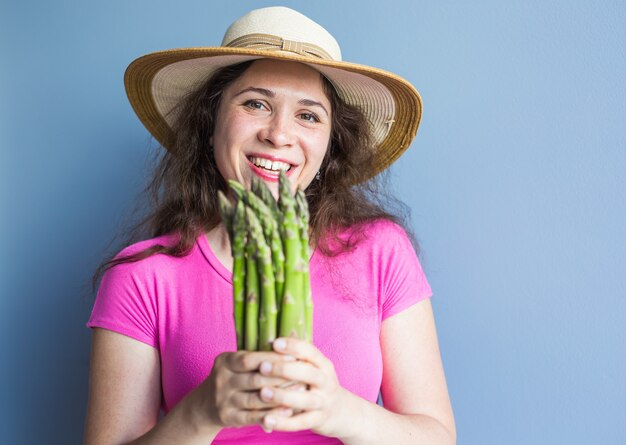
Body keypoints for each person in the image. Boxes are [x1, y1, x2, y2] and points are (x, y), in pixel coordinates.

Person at [84, 6, 456, 445]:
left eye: (308, 115)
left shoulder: (381, 251)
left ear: (330, 143)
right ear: (210, 123)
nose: (279, 134)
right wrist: (202, 412)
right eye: (255, 103)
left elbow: (437, 437)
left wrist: (337, 410)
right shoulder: (141, 277)